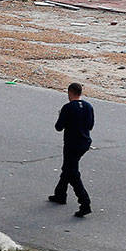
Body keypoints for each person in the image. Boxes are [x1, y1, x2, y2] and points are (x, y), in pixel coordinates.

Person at [50, 81, 95, 217]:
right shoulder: (88, 106)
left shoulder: (68, 108)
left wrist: (61, 116)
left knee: (72, 172)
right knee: (68, 168)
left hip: (71, 144)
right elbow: (90, 126)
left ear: (70, 93)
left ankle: (85, 202)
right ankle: (60, 193)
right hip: (84, 142)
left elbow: (58, 127)